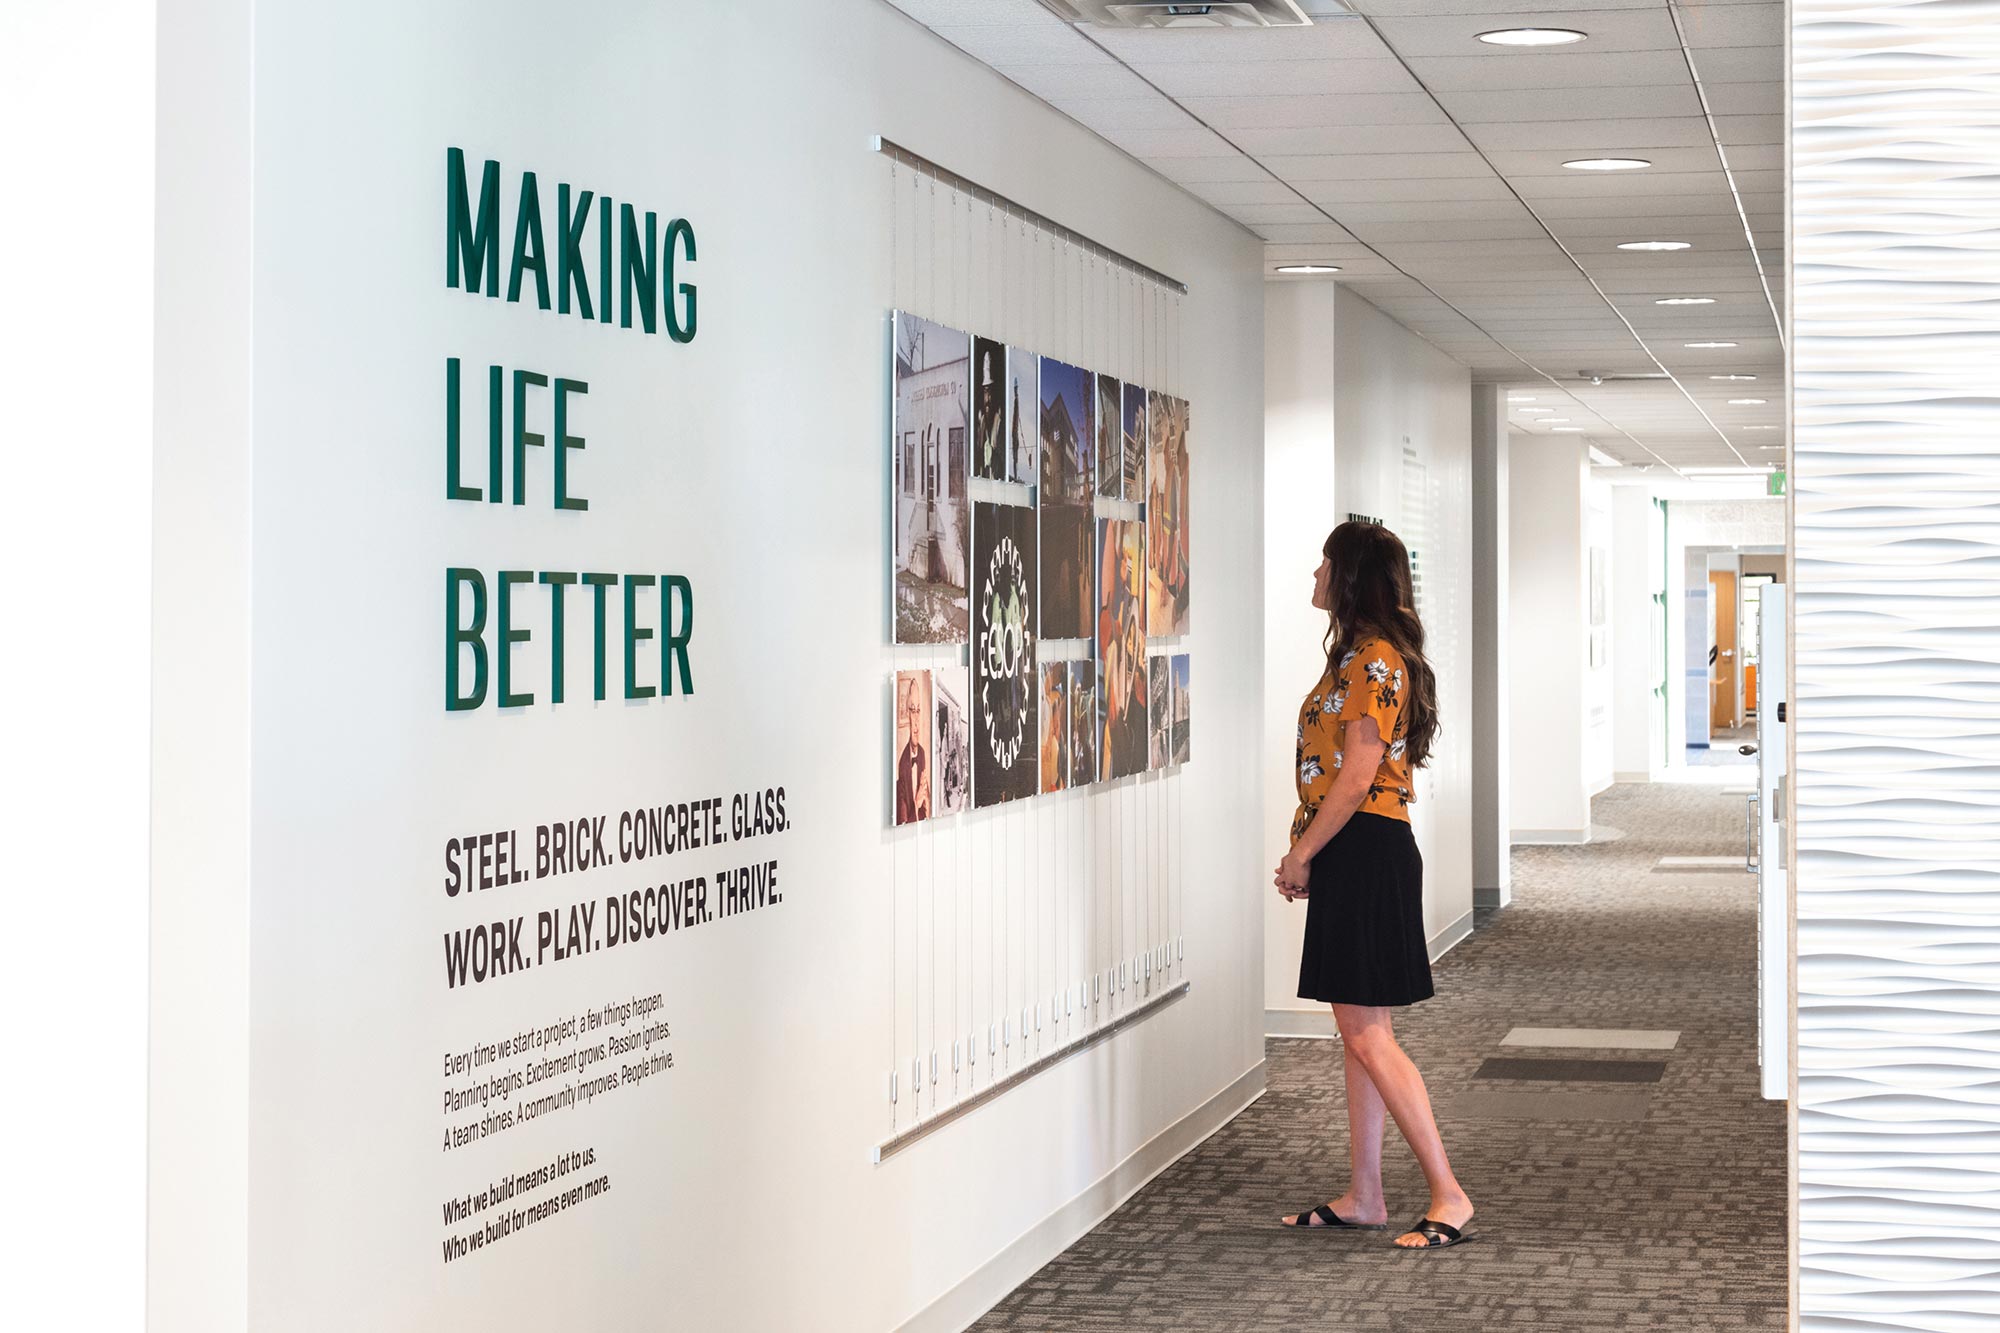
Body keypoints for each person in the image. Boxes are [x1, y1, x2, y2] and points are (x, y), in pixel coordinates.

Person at [1276, 521, 1474, 1251]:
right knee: (1360, 1034)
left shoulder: (1377, 660)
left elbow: (1358, 778)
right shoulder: (1360, 655)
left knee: (1368, 1034)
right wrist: (1308, 853)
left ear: (1352, 575)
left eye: (1325, 561)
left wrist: (1302, 854)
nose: (1316, 573)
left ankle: (1449, 1192)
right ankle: (1365, 1192)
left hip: (1368, 849)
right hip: (1355, 849)